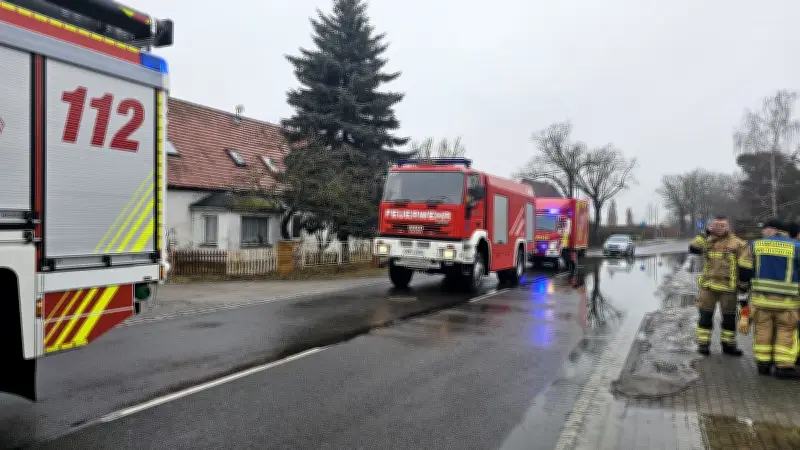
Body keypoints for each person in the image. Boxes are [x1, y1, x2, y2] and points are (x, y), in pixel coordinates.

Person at [742, 219, 800, 378]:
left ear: (773, 230)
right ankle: (784, 367)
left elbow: (744, 271)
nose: (763, 232)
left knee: (762, 331)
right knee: (786, 331)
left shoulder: (754, 245)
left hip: (761, 301)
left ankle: (763, 365)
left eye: (765, 229)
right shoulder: (796, 247)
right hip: (787, 303)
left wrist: (743, 296)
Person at [689, 215, 752, 356]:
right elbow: (693, 248)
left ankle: (729, 345)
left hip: (728, 288)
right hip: (708, 287)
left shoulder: (738, 244)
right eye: (716, 225)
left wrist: (743, 285)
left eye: (722, 225)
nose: (719, 228)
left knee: (729, 319)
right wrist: (704, 233)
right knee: (705, 316)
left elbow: (746, 266)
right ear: (711, 226)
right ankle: (703, 344)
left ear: (728, 227)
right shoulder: (706, 241)